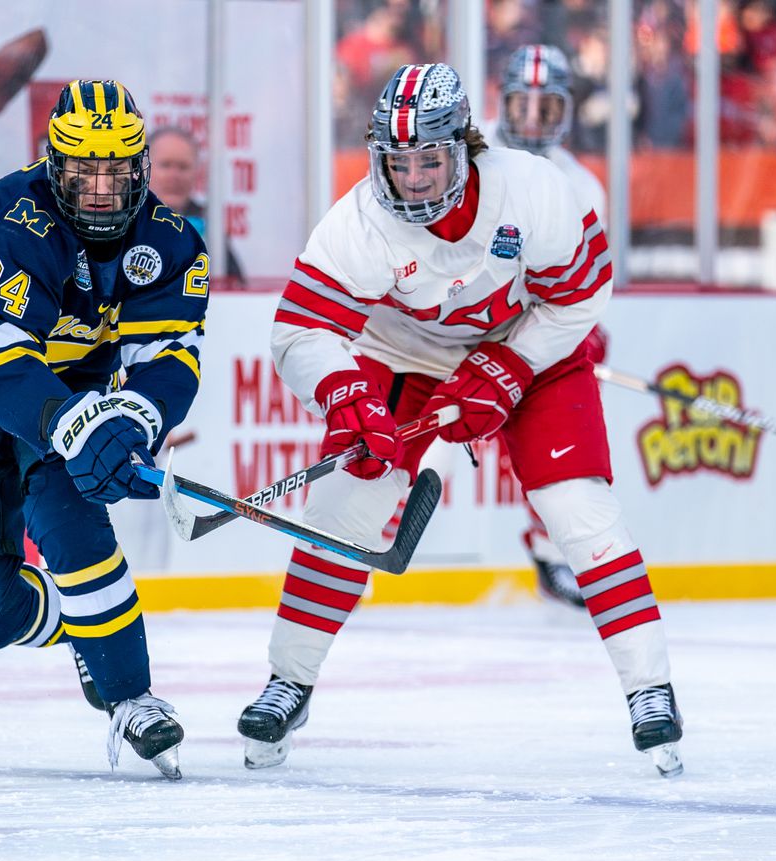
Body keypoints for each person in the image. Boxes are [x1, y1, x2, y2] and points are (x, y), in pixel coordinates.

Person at [237, 63, 683, 779]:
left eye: (430, 159)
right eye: (397, 160)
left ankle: (649, 687)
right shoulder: (357, 223)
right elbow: (299, 332)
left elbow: (581, 293)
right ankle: (289, 681)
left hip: (528, 350)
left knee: (579, 509)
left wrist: (510, 366)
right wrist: (346, 392)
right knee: (344, 506)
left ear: (465, 147)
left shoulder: (532, 190)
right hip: (403, 355)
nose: (412, 178)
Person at [0, 79, 209, 779]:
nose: (99, 189)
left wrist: (130, 419)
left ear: (141, 168)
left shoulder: (170, 241)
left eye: (116, 171)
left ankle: (131, 695)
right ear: (53, 165)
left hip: (64, 385)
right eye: (83, 170)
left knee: (71, 523)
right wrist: (77, 423)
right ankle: (85, 629)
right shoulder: (9, 212)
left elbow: (169, 358)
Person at [488, 43, 609, 609]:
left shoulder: (582, 188)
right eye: (522, 104)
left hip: (529, 334)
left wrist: (579, 331)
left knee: (555, 444)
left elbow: (581, 287)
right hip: (448, 319)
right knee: (416, 437)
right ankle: (365, 540)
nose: (533, 121)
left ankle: (551, 552)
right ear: (502, 102)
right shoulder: (468, 151)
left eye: (548, 108)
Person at [147, 126, 244, 284]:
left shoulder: (210, 224)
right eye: (166, 165)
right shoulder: (126, 221)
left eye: (183, 167)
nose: (174, 176)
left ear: (196, 172)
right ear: (144, 168)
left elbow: (235, 285)